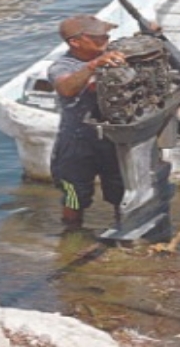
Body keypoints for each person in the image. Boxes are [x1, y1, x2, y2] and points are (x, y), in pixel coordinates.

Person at [48, 13, 128, 229]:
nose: (105, 41)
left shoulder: (113, 54)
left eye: (106, 36)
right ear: (75, 42)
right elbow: (65, 87)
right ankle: (71, 235)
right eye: (98, 37)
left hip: (112, 138)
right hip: (77, 141)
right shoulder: (62, 66)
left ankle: (123, 232)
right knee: (74, 195)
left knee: (121, 191)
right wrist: (93, 66)